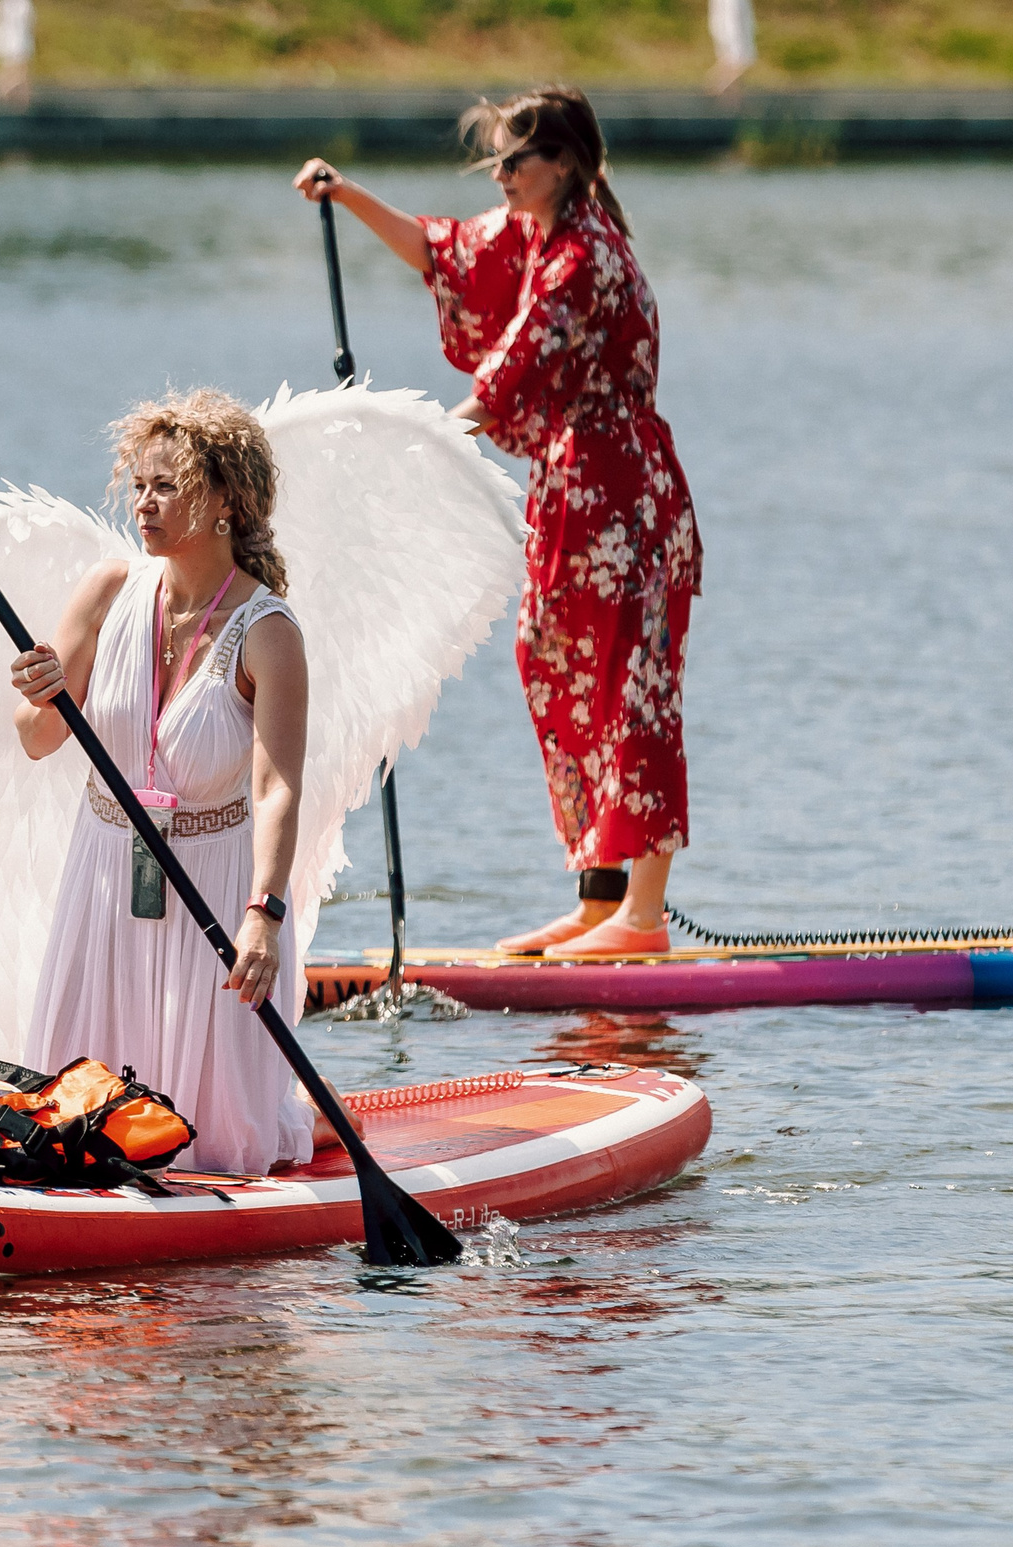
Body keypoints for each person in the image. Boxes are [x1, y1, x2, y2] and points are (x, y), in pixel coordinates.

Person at [295, 85, 704, 958]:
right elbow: (445, 253)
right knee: (556, 666)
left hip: (626, 497)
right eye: (496, 162)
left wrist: (403, 452)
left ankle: (645, 914)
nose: (502, 175)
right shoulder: (532, 235)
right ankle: (599, 899)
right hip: (569, 494)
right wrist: (348, 192)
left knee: (632, 688)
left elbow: (508, 376)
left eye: (515, 160)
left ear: (562, 165)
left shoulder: (583, 258)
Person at [7, 392, 314, 1176]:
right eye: (139, 484)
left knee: (208, 1142)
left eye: (166, 485)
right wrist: (41, 692)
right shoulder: (108, 590)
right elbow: (38, 739)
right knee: (78, 1109)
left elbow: (278, 789)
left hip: (212, 885)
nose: (143, 502)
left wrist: (264, 918)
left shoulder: (268, 633)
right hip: (105, 875)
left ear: (226, 503)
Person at [0, 0, 34, 108]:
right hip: (12, 42)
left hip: (17, 41)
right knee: (15, 72)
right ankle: (1, 97)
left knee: (18, 72)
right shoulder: (9, 4)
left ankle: (15, 102)